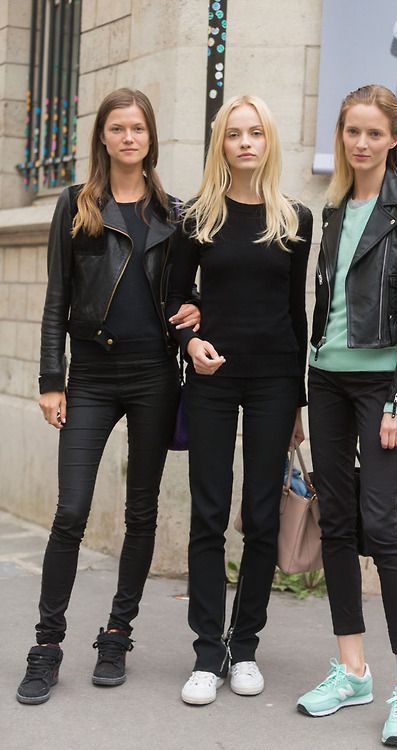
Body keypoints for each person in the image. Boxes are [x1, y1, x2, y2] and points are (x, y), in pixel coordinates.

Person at [16, 88, 200, 705]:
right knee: (70, 512)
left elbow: (186, 292)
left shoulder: (174, 213)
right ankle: (46, 646)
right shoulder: (75, 204)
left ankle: (117, 634)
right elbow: (57, 298)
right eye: (117, 128)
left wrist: (197, 312)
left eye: (138, 128)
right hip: (91, 376)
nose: (128, 138)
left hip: (154, 376)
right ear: (102, 136)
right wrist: (52, 379)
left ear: (151, 138)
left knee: (141, 513)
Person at [297, 85, 397, 747]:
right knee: (336, 523)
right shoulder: (333, 208)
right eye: (352, 131)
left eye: (374, 133)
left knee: (380, 528)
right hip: (326, 380)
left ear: (394, 140)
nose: (361, 143)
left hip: (381, 384)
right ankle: (352, 670)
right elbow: (325, 306)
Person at [165, 94, 312, 706]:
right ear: (220, 144)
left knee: (260, 515)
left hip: (274, 380)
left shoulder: (295, 218)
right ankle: (207, 652)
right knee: (208, 511)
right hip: (213, 380)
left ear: (268, 142)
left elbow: (297, 313)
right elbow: (174, 300)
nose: (245, 142)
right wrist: (190, 342)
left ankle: (245, 645)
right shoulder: (197, 217)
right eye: (234, 133)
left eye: (255, 133)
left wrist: (298, 405)